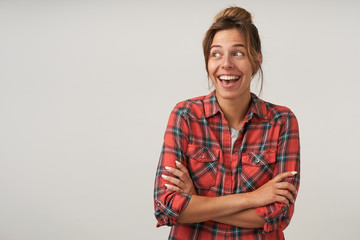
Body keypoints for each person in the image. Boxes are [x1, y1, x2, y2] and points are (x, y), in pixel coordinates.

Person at [154, 6, 300, 240]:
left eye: (238, 53)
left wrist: (197, 203)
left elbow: (278, 215)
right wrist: (253, 198)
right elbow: (167, 206)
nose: (226, 64)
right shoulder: (185, 116)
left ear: (256, 59)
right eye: (216, 53)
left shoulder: (281, 122)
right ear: (208, 61)